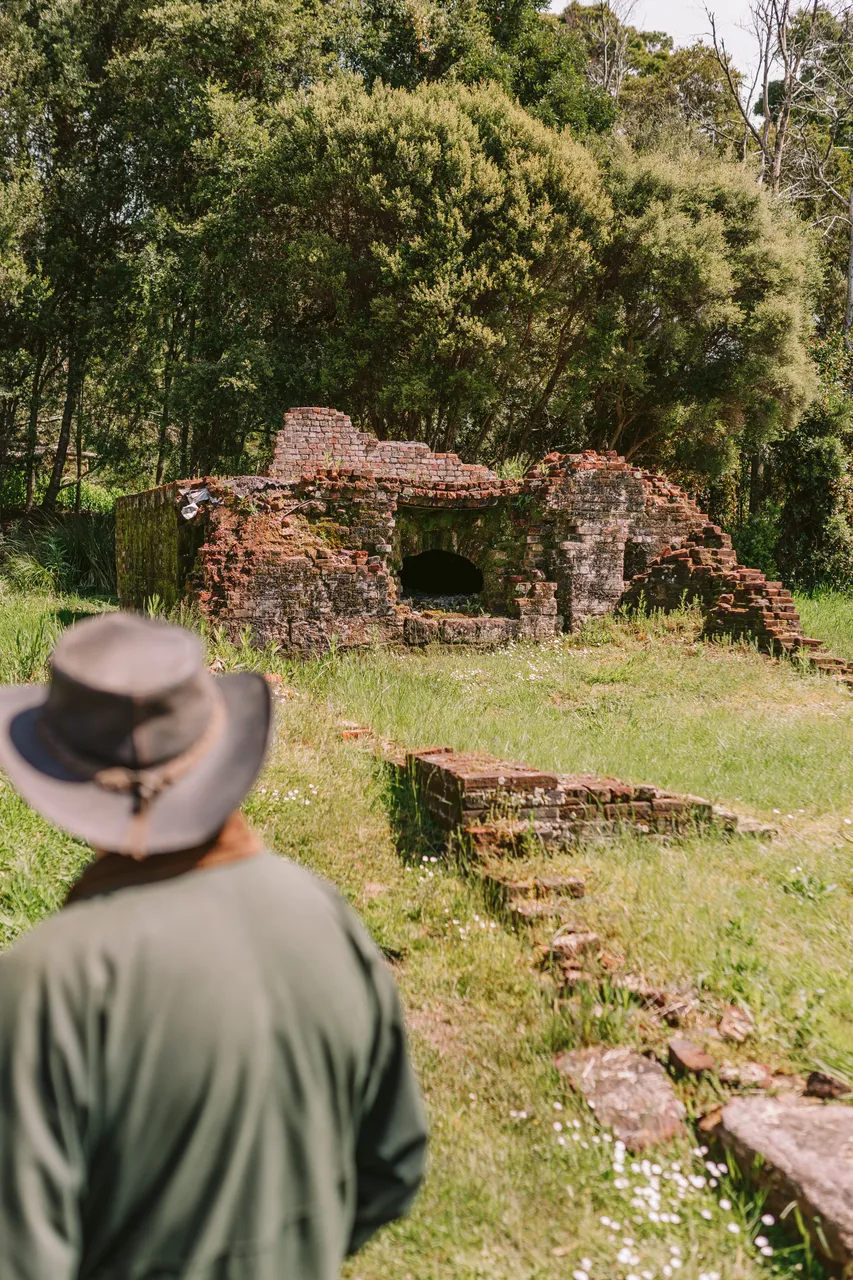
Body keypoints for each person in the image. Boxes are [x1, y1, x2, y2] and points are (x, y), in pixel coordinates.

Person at [0, 612, 427, 1280]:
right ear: (216, 741)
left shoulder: (43, 984)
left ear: (58, 772)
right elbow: (393, 1164)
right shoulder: (322, 913)